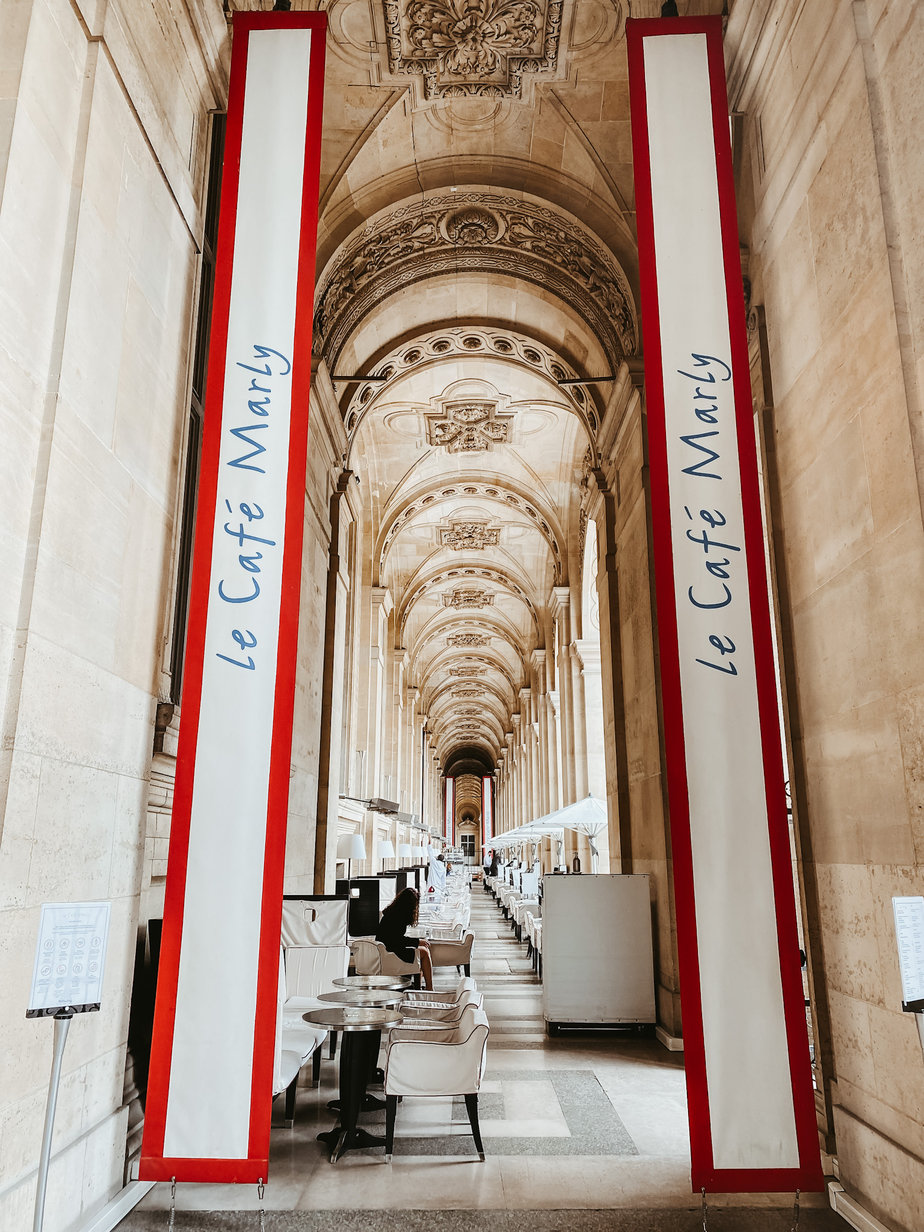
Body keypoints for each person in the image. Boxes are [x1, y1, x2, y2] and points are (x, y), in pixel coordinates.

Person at [375, 887, 433, 990]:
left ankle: (417, 986)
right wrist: (418, 941)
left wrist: (416, 942)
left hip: (387, 948)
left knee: (420, 952)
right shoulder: (399, 917)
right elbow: (398, 940)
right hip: (392, 950)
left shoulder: (392, 912)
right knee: (424, 952)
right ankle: (429, 987)